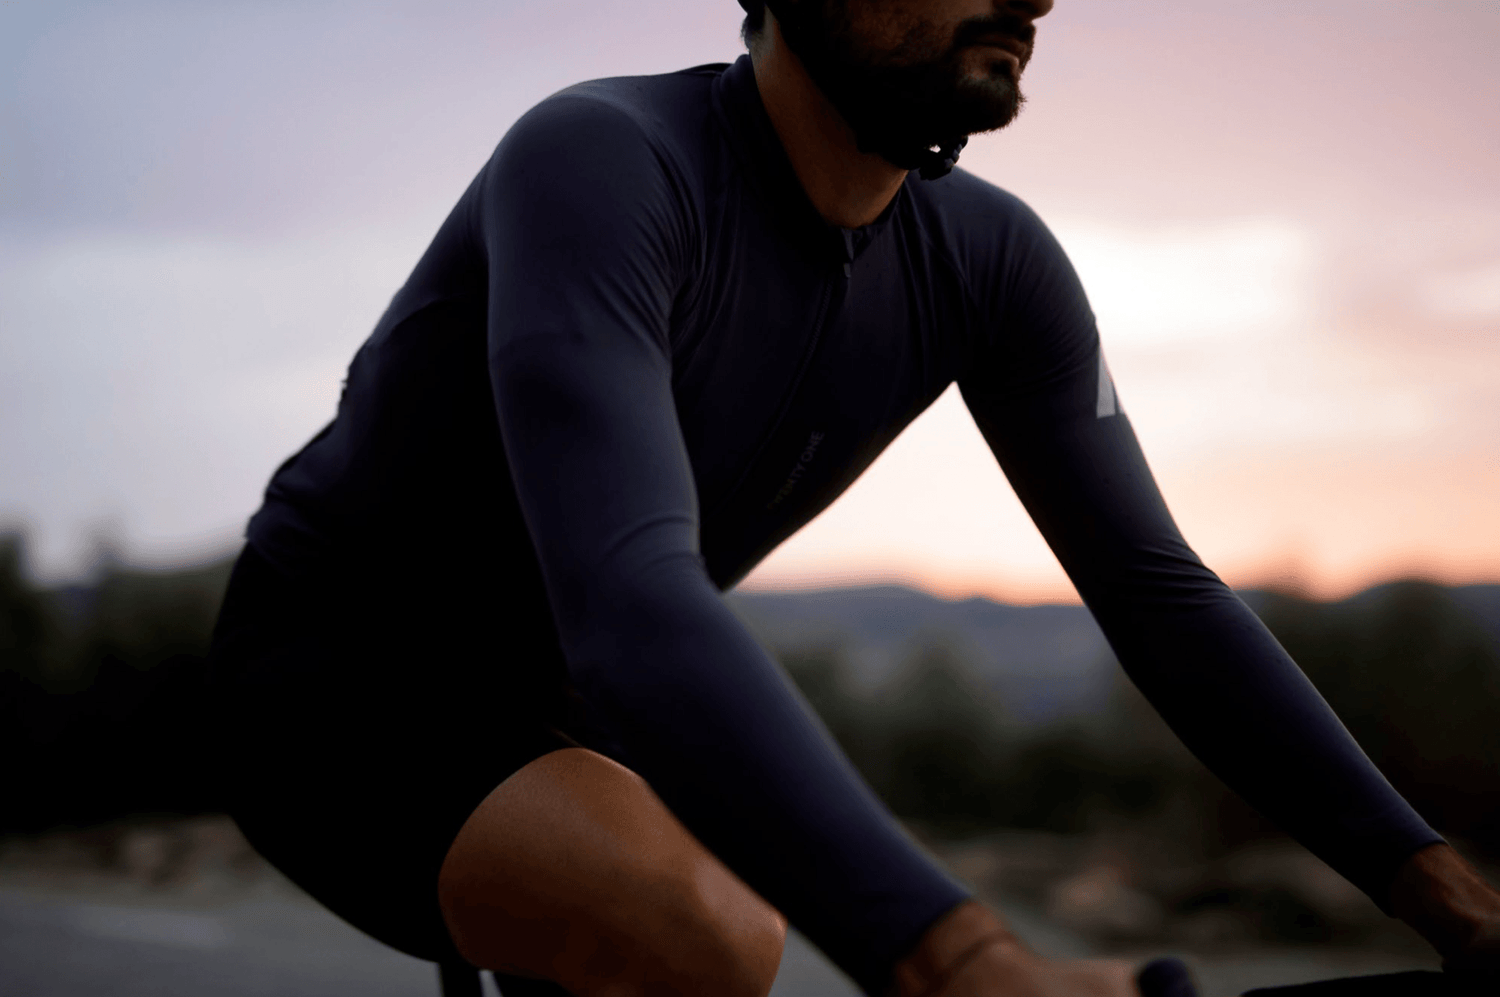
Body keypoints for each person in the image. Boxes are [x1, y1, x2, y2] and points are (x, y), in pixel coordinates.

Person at [207, 1, 1500, 995]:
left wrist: (1447, 894)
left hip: (591, 718)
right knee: (710, 929)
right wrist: (966, 960)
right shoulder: (603, 159)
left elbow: (1160, 597)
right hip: (340, 688)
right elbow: (630, 597)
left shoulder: (994, 262)